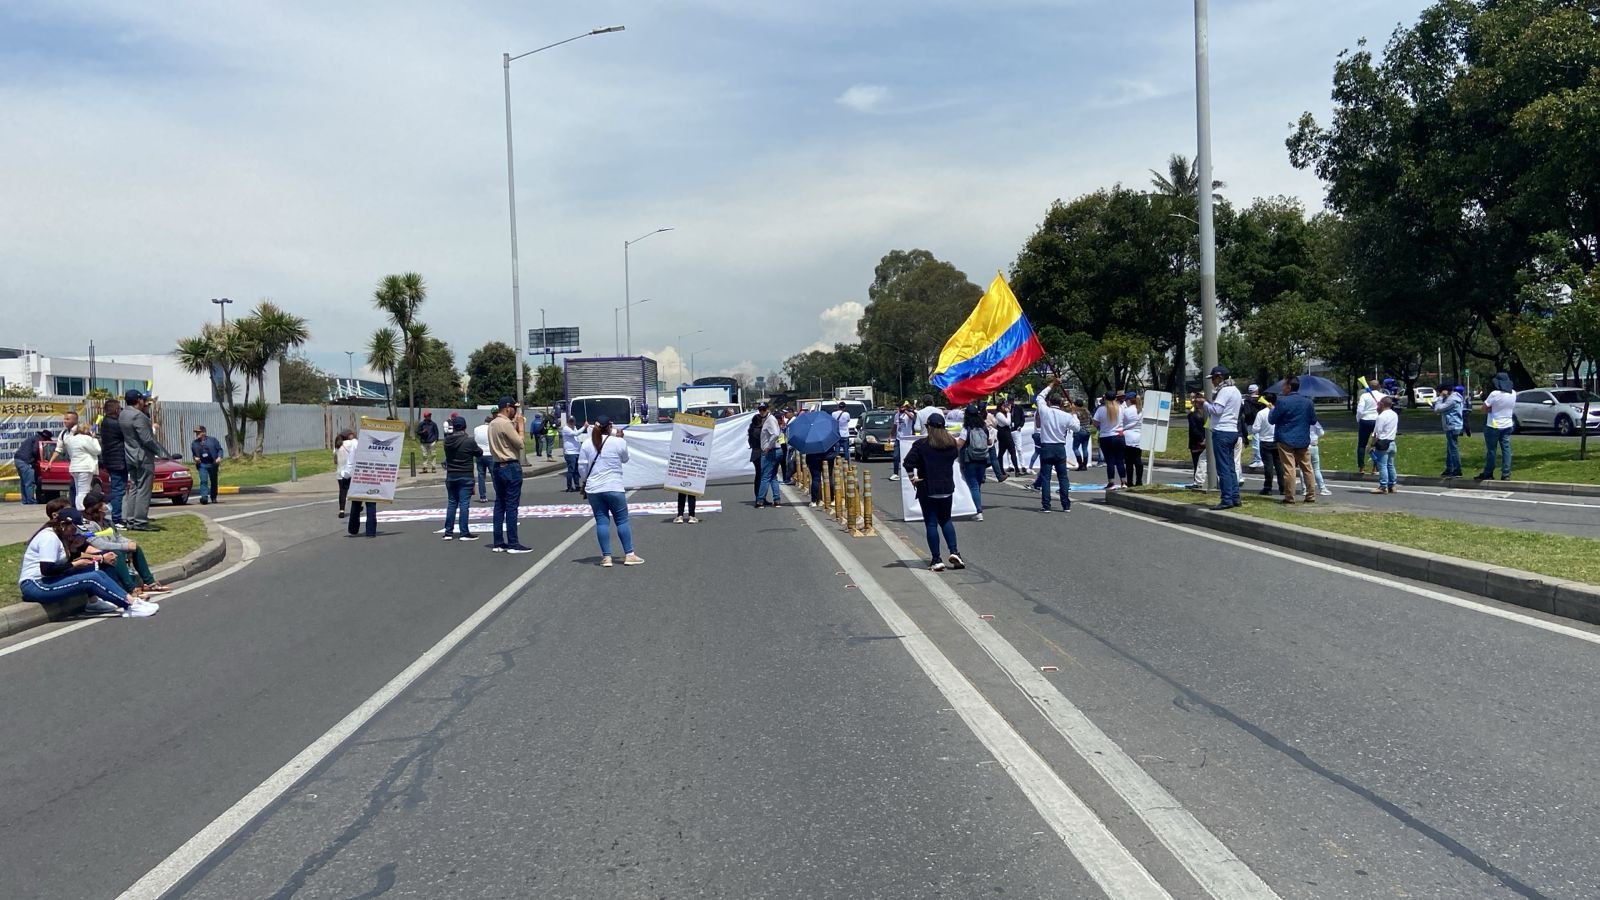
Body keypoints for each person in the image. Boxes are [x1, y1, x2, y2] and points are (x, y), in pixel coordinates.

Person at [17, 501, 156, 617]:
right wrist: (74, 565)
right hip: (36, 585)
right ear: (63, 525)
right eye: (73, 528)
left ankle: (105, 601)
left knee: (97, 573)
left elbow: (71, 558)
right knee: (90, 579)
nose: (75, 532)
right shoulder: (49, 538)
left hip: (48, 580)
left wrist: (96, 558)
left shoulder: (62, 537)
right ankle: (130, 605)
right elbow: (46, 570)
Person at [80, 491, 169, 601]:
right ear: (97, 507)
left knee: (136, 548)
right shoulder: (87, 525)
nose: (107, 505)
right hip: (99, 553)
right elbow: (101, 544)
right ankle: (131, 589)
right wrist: (125, 546)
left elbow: (118, 537)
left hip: (111, 548)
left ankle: (150, 582)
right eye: (105, 503)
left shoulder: (108, 522)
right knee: (118, 553)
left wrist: (130, 543)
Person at [579, 416, 643, 567]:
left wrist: (585, 479)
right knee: (621, 520)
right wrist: (621, 439)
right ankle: (629, 554)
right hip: (614, 486)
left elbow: (581, 467)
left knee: (601, 521)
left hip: (594, 488)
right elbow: (625, 459)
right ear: (609, 427)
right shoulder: (618, 442)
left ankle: (606, 557)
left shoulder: (587, 444)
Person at [903, 412, 964, 571]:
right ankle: (954, 551)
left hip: (927, 488)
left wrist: (912, 478)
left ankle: (937, 559)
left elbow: (908, 463)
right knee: (946, 520)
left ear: (928, 427)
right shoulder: (951, 444)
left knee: (931, 523)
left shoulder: (921, 445)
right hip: (946, 488)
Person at [118, 390, 171, 532]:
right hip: (142, 456)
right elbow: (147, 439)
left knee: (134, 487)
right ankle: (140, 520)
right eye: (142, 400)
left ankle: (130, 519)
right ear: (138, 400)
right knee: (144, 489)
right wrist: (161, 453)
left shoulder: (123, 414)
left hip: (129, 454)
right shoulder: (138, 416)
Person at [489, 397, 530, 553]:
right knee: (512, 506)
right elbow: (519, 444)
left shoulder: (493, 423)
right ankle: (513, 543)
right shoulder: (505, 423)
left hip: (497, 465)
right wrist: (520, 427)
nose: (515, 411)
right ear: (507, 407)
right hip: (510, 465)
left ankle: (498, 541)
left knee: (500, 504)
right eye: (514, 408)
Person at [1269, 377, 1319, 504]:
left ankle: (1290, 496)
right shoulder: (1307, 402)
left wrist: (1272, 410)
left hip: (1285, 438)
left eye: (1284, 385)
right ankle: (1311, 494)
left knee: (1289, 468)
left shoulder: (1282, 402)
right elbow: (1313, 420)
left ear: (1289, 387)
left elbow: (1272, 420)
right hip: (1302, 438)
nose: (1282, 388)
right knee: (1307, 467)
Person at [1203, 366, 1244, 510]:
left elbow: (1217, 410)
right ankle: (1235, 496)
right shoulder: (1236, 391)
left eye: (1213, 379)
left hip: (1222, 431)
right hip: (1233, 430)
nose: (1212, 382)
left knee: (1223, 468)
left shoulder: (1224, 391)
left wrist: (1205, 403)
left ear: (1220, 378)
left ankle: (1226, 498)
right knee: (1231, 467)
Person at [1032, 378, 1073, 512]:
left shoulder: (1045, 411)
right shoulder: (1066, 415)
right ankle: (1066, 504)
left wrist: (1051, 385)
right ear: (1061, 403)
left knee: (1046, 477)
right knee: (1063, 477)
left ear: (1049, 402)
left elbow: (1040, 397)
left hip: (1047, 446)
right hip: (1060, 447)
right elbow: (1077, 427)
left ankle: (1046, 505)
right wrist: (1073, 414)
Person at [440, 415, 479, 541]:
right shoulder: (469, 441)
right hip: (465, 474)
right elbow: (479, 452)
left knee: (452, 503)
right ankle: (464, 532)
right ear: (465, 427)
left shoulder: (447, 442)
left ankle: (448, 532)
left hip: (451, 475)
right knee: (464, 504)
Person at [1476, 372, 1516, 482]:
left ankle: (1488, 472)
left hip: (1494, 424)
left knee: (1492, 450)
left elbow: (1483, 409)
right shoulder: (1513, 393)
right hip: (1508, 424)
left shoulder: (1495, 394)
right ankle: (1506, 473)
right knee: (1506, 450)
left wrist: (1491, 409)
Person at [958, 404, 991, 522]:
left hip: (969, 459)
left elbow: (959, 444)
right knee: (977, 485)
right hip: (982, 458)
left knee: (973, 485)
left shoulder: (966, 429)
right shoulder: (983, 427)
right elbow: (989, 441)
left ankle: (978, 510)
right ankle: (976, 506)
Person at [341, 435, 378, 538]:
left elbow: (351, 462)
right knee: (371, 504)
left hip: (358, 476)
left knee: (356, 503)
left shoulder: (356, 444)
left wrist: (346, 475)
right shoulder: (376, 444)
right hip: (371, 476)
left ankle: (353, 528)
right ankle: (371, 531)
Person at [60, 423, 102, 510]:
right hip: (85, 467)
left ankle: (79, 509)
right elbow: (97, 450)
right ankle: (81, 510)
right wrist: (93, 439)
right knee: (84, 491)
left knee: (79, 491)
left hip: (75, 467)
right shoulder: (86, 439)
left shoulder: (71, 439)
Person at [1092, 391, 1128, 490]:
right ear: (1115, 398)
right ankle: (1124, 481)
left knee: (1110, 461)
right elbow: (1125, 420)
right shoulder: (1121, 408)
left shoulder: (1101, 410)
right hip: (1118, 436)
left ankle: (1111, 482)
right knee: (1120, 460)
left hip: (1105, 436)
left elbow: (1095, 423)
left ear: (1105, 399)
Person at [99, 399, 128, 523]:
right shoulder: (113, 423)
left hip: (112, 460)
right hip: (117, 460)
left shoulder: (106, 422)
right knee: (118, 490)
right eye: (119, 408)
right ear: (116, 410)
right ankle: (116, 518)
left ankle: (117, 515)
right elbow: (128, 434)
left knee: (118, 488)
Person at [1354, 378, 1387, 476]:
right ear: (1379, 387)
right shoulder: (1383, 396)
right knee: (1376, 444)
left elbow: (1360, 410)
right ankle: (1375, 467)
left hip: (1365, 420)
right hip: (1378, 420)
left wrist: (1359, 419)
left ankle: (1361, 467)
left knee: (1361, 444)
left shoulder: (1364, 396)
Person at [1432, 384, 1466, 477]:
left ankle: (1457, 470)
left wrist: (1440, 398)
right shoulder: (1455, 397)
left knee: (1453, 448)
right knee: (1450, 448)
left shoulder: (1452, 400)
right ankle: (1449, 468)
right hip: (1453, 425)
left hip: (1452, 426)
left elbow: (1438, 409)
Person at [1252, 393, 1281, 496]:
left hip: (1265, 441)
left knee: (1268, 466)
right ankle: (1283, 487)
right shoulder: (1279, 411)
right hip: (1277, 440)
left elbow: (1255, 428)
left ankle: (1267, 487)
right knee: (1279, 466)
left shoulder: (1261, 413)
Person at [11, 427, 49, 506]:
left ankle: (25, 500)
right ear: (45, 437)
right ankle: (31, 500)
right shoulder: (38, 440)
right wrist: (37, 459)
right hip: (25, 461)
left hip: (18, 460)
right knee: (30, 482)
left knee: (24, 482)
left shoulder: (33, 438)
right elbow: (35, 451)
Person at [756, 401, 784, 508]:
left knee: (765, 477)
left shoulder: (770, 420)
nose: (762, 411)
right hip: (775, 450)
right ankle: (777, 500)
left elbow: (775, 434)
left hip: (771, 451)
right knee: (772, 476)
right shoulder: (767, 419)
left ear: (767, 409)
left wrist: (768, 447)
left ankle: (760, 500)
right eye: (760, 409)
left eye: (764, 409)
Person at [1372, 395, 1400, 493]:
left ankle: (1383, 486)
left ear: (1382, 404)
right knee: (1390, 465)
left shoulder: (1381, 417)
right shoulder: (1394, 414)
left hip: (1383, 443)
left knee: (1382, 465)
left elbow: (1377, 433)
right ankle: (1392, 484)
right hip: (1392, 442)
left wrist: (1371, 445)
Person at [190, 425, 223, 505]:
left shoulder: (213, 440)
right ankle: (204, 497)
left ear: (204, 432)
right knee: (203, 480)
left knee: (214, 481)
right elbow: (194, 454)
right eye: (196, 433)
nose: (197, 434)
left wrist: (219, 457)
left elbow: (220, 450)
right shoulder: (194, 443)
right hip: (202, 464)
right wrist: (195, 458)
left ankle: (213, 497)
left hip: (213, 463)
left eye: (199, 432)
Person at [1121, 390, 1145, 487]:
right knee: (1138, 460)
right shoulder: (1142, 410)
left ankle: (1130, 481)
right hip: (1139, 437)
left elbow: (1121, 422)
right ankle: (1139, 480)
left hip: (1127, 437)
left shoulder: (1126, 411)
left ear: (1129, 400)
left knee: (1129, 462)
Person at [1187, 394, 1208, 489]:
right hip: (1206, 441)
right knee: (1205, 463)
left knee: (1197, 463)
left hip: (1196, 443)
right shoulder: (1207, 415)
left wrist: (1201, 439)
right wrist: (1206, 438)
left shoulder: (1192, 415)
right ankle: (1204, 481)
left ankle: (1197, 482)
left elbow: (1193, 429)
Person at [889, 402, 914, 483]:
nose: (901, 409)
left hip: (907, 438)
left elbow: (912, 418)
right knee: (896, 456)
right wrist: (890, 436)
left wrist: (906, 411)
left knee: (908, 457)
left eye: (902, 407)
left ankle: (910, 473)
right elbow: (895, 426)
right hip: (898, 438)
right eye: (899, 407)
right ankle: (895, 473)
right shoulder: (897, 415)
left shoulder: (909, 414)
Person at [473, 415, 495, 502]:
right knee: (494, 476)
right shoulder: (491, 429)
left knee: (481, 476)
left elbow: (475, 440)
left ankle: (482, 496)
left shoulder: (476, 429)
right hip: (489, 453)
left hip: (479, 454)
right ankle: (499, 494)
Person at [334, 429, 355, 518]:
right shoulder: (351, 443)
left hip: (340, 472)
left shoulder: (337, 446)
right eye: (351, 434)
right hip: (350, 471)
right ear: (348, 436)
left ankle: (341, 510)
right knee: (354, 491)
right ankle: (356, 508)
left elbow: (335, 461)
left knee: (342, 492)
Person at [560, 413, 583, 492]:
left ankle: (577, 485)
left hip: (577, 451)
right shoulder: (566, 429)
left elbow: (577, 437)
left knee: (576, 470)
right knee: (571, 470)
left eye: (573, 421)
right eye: (570, 421)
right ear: (568, 422)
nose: (572, 423)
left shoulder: (574, 427)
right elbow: (575, 434)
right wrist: (584, 427)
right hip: (570, 453)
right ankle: (569, 486)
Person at [1308, 420, 1331, 498]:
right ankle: (1322, 488)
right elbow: (1321, 433)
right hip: (1313, 445)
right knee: (1316, 468)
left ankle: (1304, 489)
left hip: (1304, 446)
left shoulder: (1300, 420)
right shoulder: (1314, 422)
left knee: (1303, 468)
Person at [1070, 399, 1092, 471]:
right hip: (1087, 431)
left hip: (1079, 431)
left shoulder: (1076, 412)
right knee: (1084, 448)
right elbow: (1091, 421)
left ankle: (1080, 464)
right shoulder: (1087, 411)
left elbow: (1072, 421)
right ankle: (1085, 465)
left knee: (1075, 448)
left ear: (1076, 405)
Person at [1244, 384, 1263, 469]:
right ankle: (1261, 459)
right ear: (1257, 390)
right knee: (1261, 440)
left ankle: (1258, 460)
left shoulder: (1247, 401)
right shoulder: (1262, 399)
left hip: (1252, 422)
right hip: (1262, 422)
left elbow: (1247, 413)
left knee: (1255, 441)